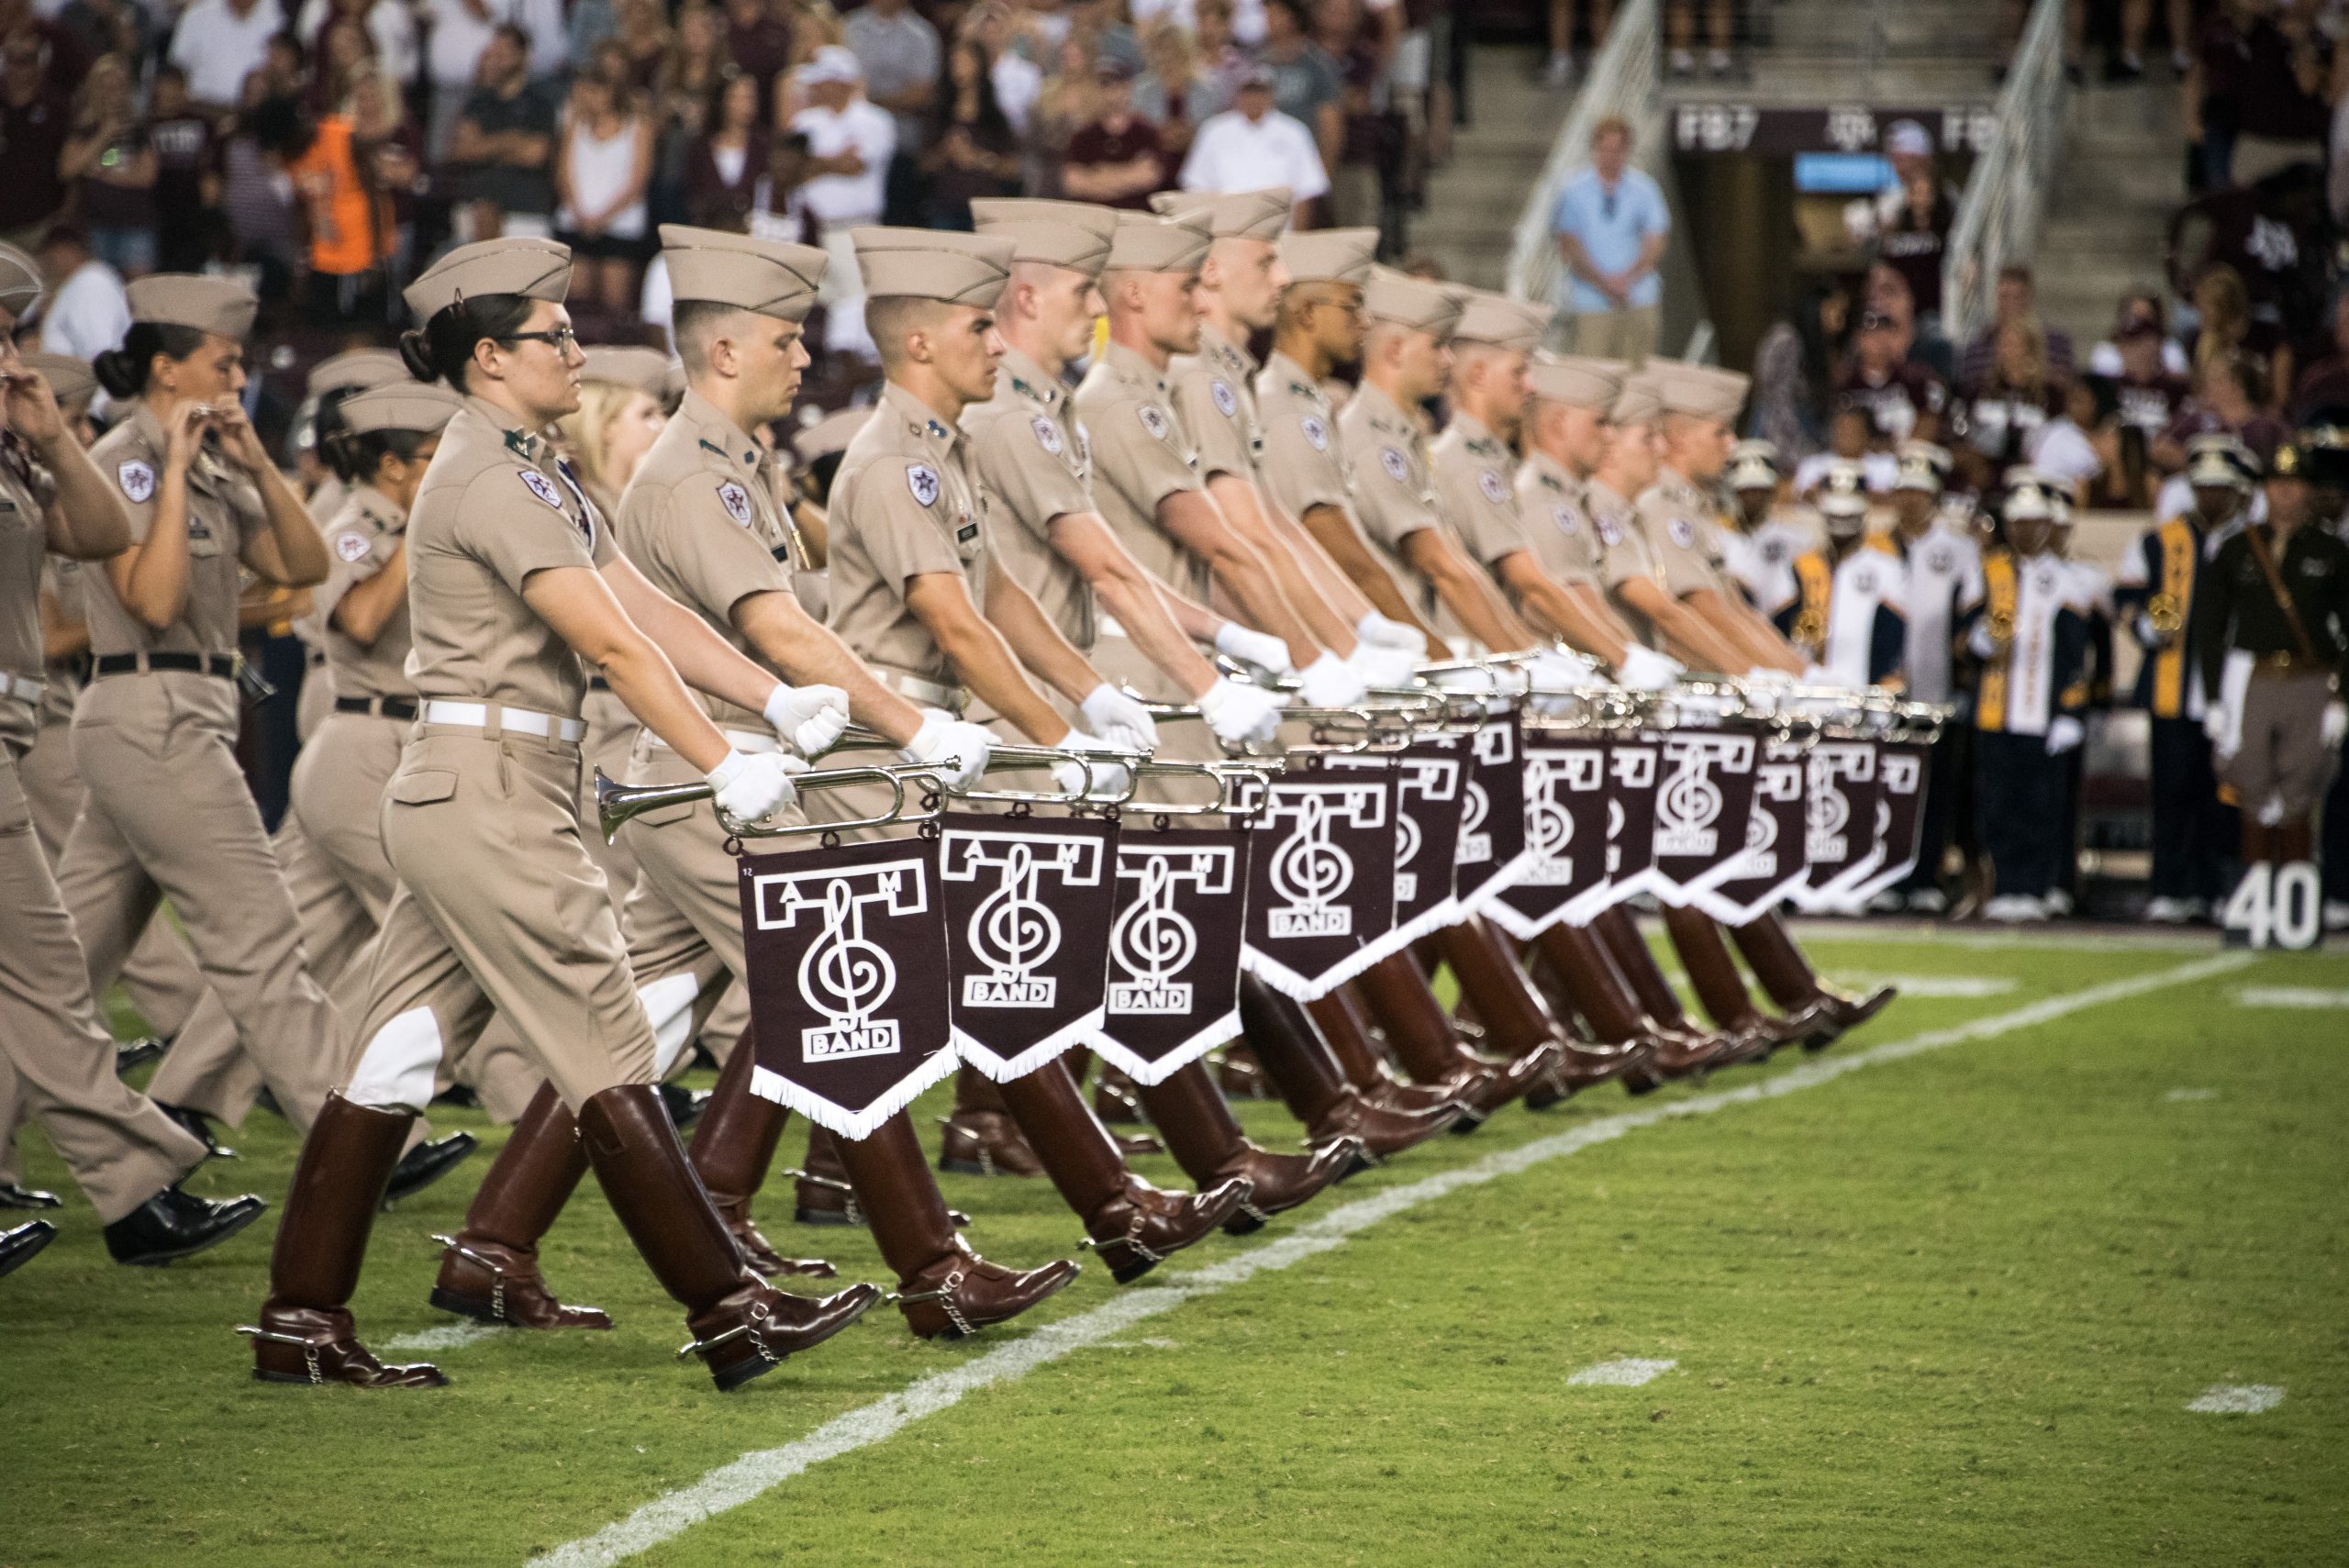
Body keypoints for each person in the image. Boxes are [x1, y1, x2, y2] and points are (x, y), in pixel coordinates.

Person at [246, 237, 881, 1391]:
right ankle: (731, 1308)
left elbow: (642, 607)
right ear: (489, 357)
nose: (576, 349)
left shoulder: (523, 463)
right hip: (490, 787)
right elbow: (605, 642)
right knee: (607, 1043)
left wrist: (774, 695)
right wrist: (716, 751)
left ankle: (301, 1317)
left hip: (481, 781)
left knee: (395, 1054)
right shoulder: (491, 473)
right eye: (554, 335)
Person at [818, 224, 1260, 1276]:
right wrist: (1059, 741)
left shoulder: (945, 449)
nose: (998, 341)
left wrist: (1094, 695)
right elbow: (955, 621)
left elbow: (1004, 600)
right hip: (904, 742)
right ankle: (1013, 1232)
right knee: (876, 999)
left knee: (958, 986)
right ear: (921, 342)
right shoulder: (895, 462)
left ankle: (1099, 1212)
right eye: (980, 324)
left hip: (937, 745)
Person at [962, 198, 1368, 1210]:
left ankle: (1193, 1159)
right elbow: (1100, 568)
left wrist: (1229, 644)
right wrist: (1210, 673)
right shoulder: (1023, 409)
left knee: (1072, 946)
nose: (1093, 310)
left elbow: (1118, 568)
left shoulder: (1045, 404)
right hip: (1033, 708)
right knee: (1084, 941)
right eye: (1079, 292)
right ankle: (1197, 1157)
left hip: (1067, 700)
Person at [0, 255, 267, 1273]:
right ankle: (141, 1187)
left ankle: (136, 1192)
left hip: (23, 740)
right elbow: (145, 596)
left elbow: (99, 530)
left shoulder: (25, 450)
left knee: (50, 981)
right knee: (55, 981)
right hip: (84, 722)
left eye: (16, 339)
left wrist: (49, 432)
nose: (15, 361)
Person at [50, 275, 351, 1164]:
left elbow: (305, 564)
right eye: (224, 362)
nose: (238, 376)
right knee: (262, 938)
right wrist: (177, 474)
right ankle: (360, 1134)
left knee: (56, 972)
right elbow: (153, 598)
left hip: (175, 713)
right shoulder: (122, 463)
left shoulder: (218, 459)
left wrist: (254, 462)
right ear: (167, 369)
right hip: (153, 707)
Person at [2193, 436, 2349, 873]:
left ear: (2309, 490)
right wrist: (2212, 699)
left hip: (2309, 678)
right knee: (2252, 783)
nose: (2284, 492)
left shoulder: (2330, 551)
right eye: (2276, 482)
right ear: (2263, 489)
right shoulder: (2238, 548)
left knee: (2302, 784)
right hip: (2255, 677)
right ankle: (2255, 888)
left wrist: (2342, 697)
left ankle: (2296, 888)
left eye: (2294, 483)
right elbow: (2211, 628)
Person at [2119, 434, 2249, 922]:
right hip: (2172, 686)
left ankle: (2220, 887)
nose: (2212, 496)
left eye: (2221, 487)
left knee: (2224, 797)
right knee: (2172, 792)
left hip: (2231, 693)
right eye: (2204, 487)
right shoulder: (2160, 540)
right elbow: (2126, 599)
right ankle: (2170, 887)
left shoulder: (2249, 542)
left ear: (2237, 489)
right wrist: (2143, 625)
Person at [1964, 471, 2090, 922]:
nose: (2025, 530)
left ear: (2047, 525)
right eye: (2017, 521)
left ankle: (2034, 887)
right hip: (1995, 710)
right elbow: (1963, 633)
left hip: (2042, 713)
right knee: (1997, 804)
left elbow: (2077, 652)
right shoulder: (1988, 571)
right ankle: (2006, 886)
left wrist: (2070, 710)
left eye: (2033, 521)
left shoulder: (2066, 580)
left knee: (2040, 806)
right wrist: (1977, 640)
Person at [1883, 439, 1983, 914]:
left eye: (1920, 492)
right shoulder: (1876, 548)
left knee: (1934, 788)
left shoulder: (1957, 551)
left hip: (1936, 687)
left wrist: (1963, 678)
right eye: (1904, 490)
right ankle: (1887, 875)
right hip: (1883, 694)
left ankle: (1926, 875)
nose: (1910, 500)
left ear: (1935, 496)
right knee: (1885, 785)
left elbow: (1971, 619)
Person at [790, 46, 896, 358]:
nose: (813, 87)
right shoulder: (805, 122)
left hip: (854, 232)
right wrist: (833, 161)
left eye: (821, 81)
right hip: (809, 232)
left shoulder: (874, 120)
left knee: (854, 308)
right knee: (811, 309)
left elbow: (857, 166)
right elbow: (790, 169)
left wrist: (814, 163)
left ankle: (851, 378)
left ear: (840, 83)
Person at [1774, 461, 1908, 690]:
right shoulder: (1801, 565)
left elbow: (1895, 639)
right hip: (1806, 692)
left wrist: (1884, 687)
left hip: (1863, 694)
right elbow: (1779, 627)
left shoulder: (1887, 567)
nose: (1842, 521)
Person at [1551, 115, 1667, 364]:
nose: (1610, 156)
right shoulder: (1574, 192)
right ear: (1594, 149)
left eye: (1617, 150)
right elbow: (1569, 245)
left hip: (1638, 298)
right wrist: (1604, 283)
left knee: (1638, 380)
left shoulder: (1645, 190)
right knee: (1594, 377)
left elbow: (1655, 241)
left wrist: (1628, 279)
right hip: (1591, 302)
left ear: (1627, 150)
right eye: (1604, 149)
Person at [553, 67, 655, 317]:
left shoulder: (638, 128)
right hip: (576, 224)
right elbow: (563, 176)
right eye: (588, 90)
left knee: (614, 309)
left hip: (620, 228)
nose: (592, 97)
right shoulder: (573, 127)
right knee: (575, 309)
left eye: (598, 90)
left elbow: (638, 181)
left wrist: (602, 219)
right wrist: (580, 215)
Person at [1177, 62, 1327, 222]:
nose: (1254, 98)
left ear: (1271, 94)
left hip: (1279, 231)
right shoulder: (1214, 130)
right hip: (1226, 228)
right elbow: (1196, 185)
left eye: (1260, 92)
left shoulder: (1294, 132)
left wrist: (1297, 240)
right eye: (1249, 92)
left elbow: (1305, 190)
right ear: (1238, 94)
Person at [918, 37, 1021, 228]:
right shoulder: (939, 114)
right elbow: (923, 166)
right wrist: (947, 151)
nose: (960, 68)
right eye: (955, 62)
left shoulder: (994, 117)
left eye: (966, 61)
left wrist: (981, 159)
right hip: (946, 206)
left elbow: (1013, 168)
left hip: (986, 210)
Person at [1062, 59, 1163, 211]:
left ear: (1127, 88)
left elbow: (1149, 177)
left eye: (1115, 86)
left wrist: (1100, 174)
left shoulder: (1145, 132)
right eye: (1103, 86)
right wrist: (1129, 173)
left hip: (1137, 218)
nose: (1109, 94)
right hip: (1095, 216)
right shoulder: (1083, 136)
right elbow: (1073, 183)